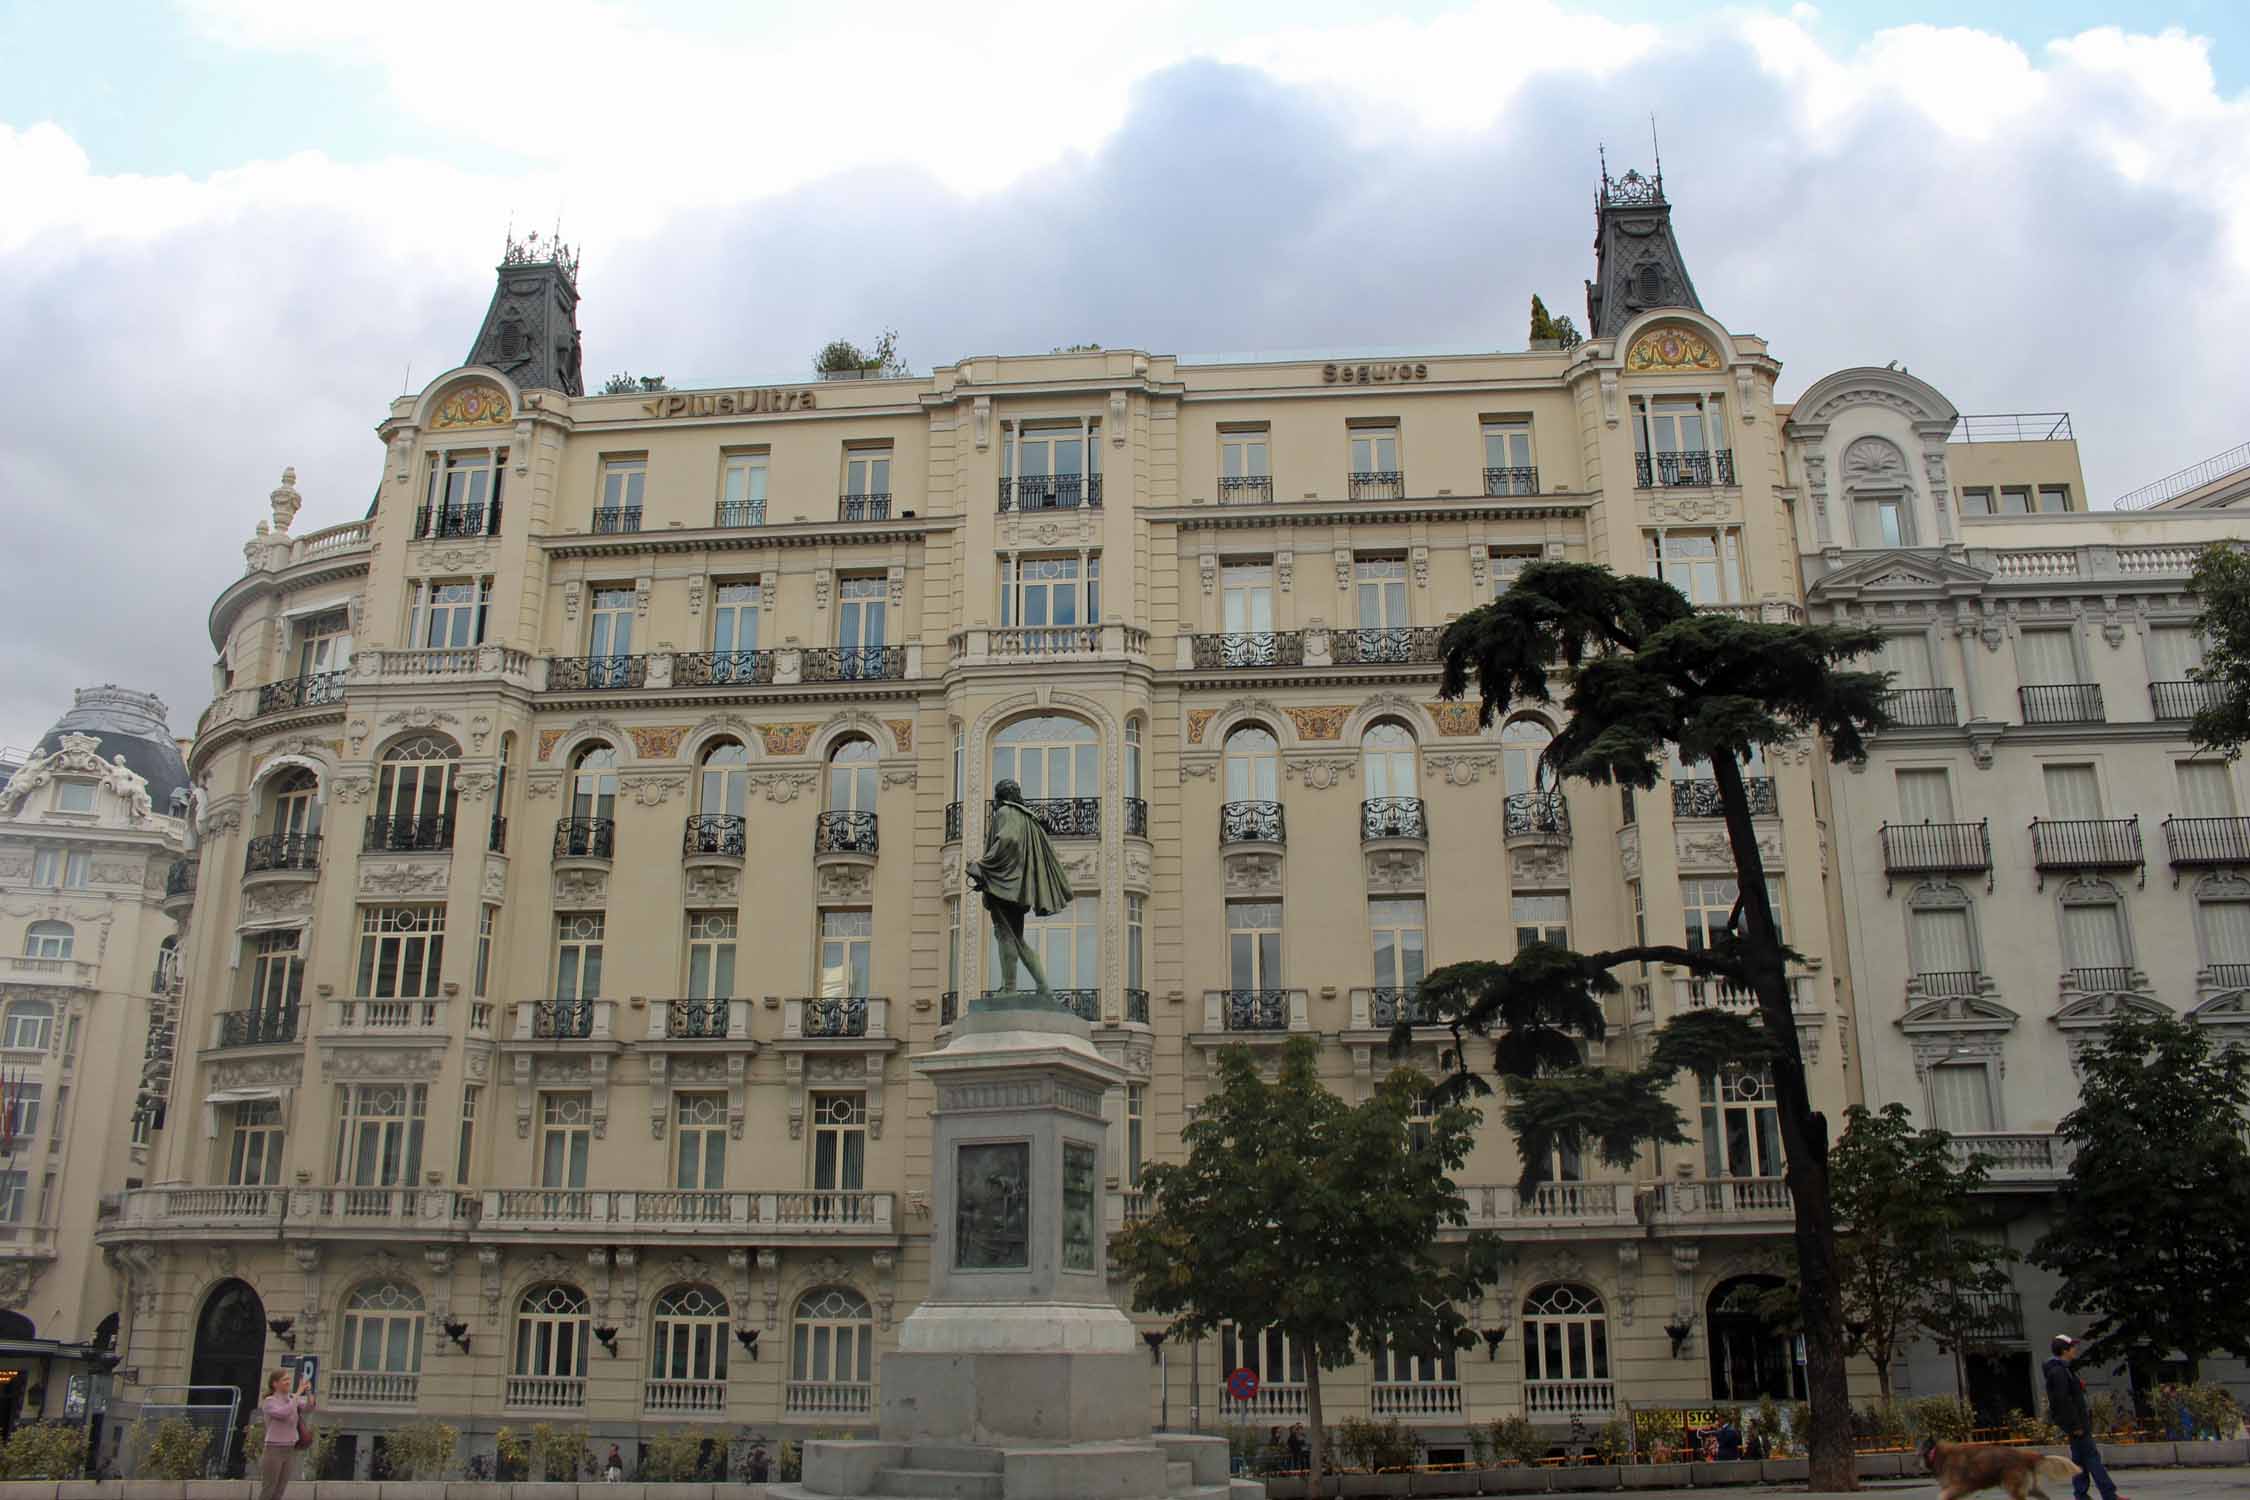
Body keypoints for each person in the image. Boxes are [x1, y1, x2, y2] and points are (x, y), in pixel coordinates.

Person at [966, 780, 1075, 998]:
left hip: (1005, 886)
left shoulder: (1006, 812)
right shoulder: (1029, 818)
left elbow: (1008, 840)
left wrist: (983, 866)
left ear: (999, 798)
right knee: (1016, 938)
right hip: (1020, 888)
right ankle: (1039, 987)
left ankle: (1010, 988)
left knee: (1007, 936)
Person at [2045, 1334, 2125, 1500]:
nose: (2075, 1349)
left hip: (2077, 1424)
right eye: (2072, 1346)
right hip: (2077, 1425)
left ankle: (2081, 1495)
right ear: (2064, 1350)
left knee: (2079, 1461)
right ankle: (2109, 1495)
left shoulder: (2064, 1369)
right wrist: (2075, 1425)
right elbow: (2063, 1401)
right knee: (2092, 1458)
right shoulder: (2059, 1371)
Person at [256, 1367, 314, 1500]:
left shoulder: (292, 1399)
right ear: (275, 1384)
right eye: (285, 1380)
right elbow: (283, 1413)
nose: (288, 1382)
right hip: (274, 1449)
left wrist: (308, 1391)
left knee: (280, 1490)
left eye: (289, 1379)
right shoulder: (269, 1401)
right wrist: (298, 1392)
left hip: (289, 1448)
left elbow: (309, 1407)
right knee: (269, 1489)